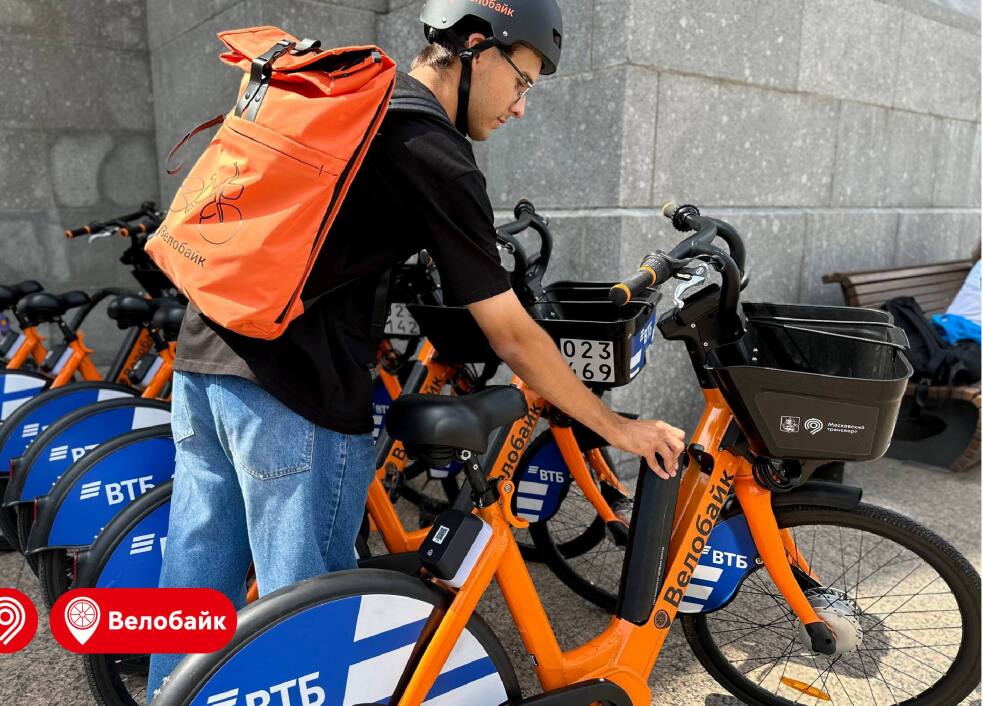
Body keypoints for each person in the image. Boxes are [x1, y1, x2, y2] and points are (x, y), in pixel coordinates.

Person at [147, 0, 686, 699]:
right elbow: (510, 331)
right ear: (474, 46)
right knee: (304, 619)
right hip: (296, 392)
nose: (520, 106)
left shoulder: (360, 103)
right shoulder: (431, 149)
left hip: (204, 362)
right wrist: (616, 426)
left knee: (194, 578)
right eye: (521, 80)